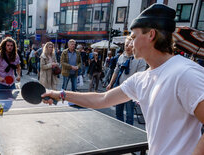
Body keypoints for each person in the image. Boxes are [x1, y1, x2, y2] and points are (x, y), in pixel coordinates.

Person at [42, 4, 204, 154]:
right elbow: (101, 99)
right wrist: (60, 94)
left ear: (151, 35)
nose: (130, 42)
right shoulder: (141, 79)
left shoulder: (185, 73)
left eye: (134, 36)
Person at [106, 36, 146, 125]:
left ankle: (129, 132)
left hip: (131, 91)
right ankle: (120, 128)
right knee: (118, 112)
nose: (127, 47)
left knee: (129, 114)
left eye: (129, 45)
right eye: (126, 45)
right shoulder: (121, 57)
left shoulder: (140, 59)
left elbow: (140, 76)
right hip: (120, 88)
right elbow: (116, 71)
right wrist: (110, 84)